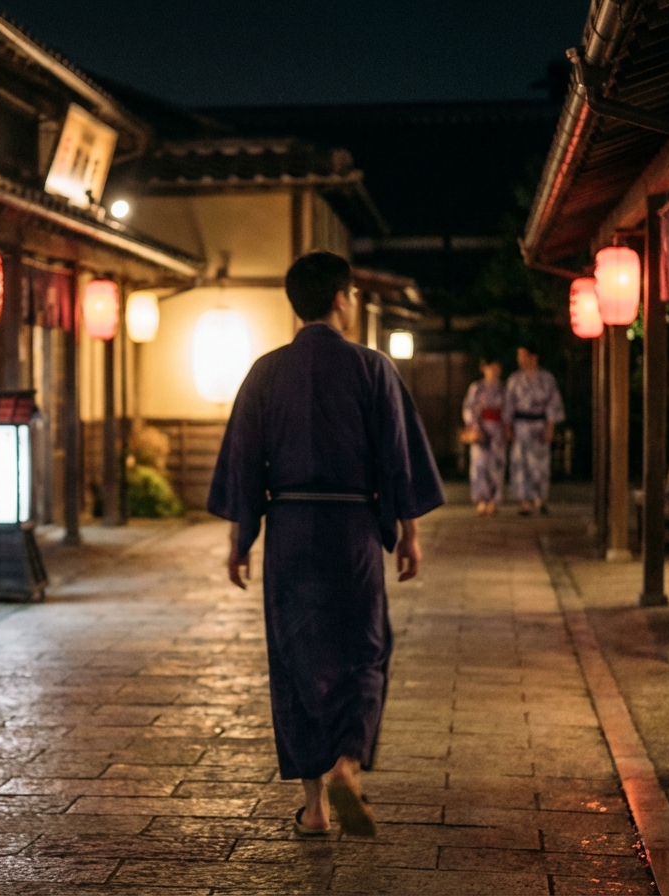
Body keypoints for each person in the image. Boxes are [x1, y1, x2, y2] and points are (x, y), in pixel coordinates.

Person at [208, 251, 444, 838]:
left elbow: (242, 461)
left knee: (296, 659)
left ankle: (313, 809)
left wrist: (242, 536)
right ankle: (347, 763)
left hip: (289, 527)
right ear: (343, 299)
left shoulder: (264, 372)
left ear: (295, 302)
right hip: (352, 528)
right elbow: (397, 455)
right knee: (363, 649)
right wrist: (408, 532)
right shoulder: (372, 368)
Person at [503, 344, 565, 515]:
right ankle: (524, 501)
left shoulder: (546, 379)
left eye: (523, 356)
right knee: (520, 463)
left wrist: (550, 427)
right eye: (519, 356)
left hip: (539, 425)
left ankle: (540, 498)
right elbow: (509, 405)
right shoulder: (515, 379)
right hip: (520, 425)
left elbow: (553, 404)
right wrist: (508, 427)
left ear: (533, 357)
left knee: (540, 463)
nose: (520, 360)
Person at [461, 358, 506, 515]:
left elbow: (508, 411)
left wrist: (507, 428)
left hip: (498, 430)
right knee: (479, 465)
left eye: (496, 366)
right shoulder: (477, 387)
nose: (494, 369)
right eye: (490, 366)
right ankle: (481, 499)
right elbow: (469, 408)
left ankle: (494, 500)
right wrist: (474, 427)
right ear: (483, 368)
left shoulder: (503, 389)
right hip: (480, 429)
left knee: (497, 465)